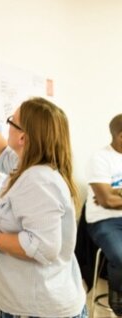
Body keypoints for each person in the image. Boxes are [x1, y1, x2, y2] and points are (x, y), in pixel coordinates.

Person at [0, 88, 86, 318]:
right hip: (34, 305)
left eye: (11, 121)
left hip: (41, 310)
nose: (8, 126)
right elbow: (2, 154)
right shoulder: (30, 166)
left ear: (23, 137)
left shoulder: (39, 180)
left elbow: (43, 246)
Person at [85, 113, 122, 315]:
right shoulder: (100, 159)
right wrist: (108, 197)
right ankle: (119, 301)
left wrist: (113, 194)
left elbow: (109, 197)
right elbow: (106, 201)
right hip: (103, 221)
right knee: (120, 254)